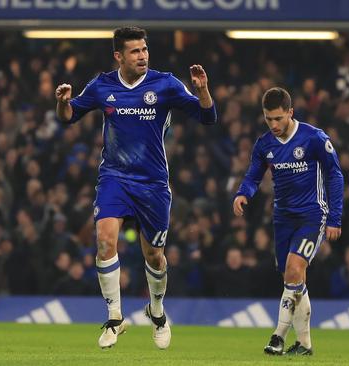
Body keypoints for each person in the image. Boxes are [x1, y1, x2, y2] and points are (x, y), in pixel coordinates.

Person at [54, 26, 216, 349]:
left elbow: (207, 117)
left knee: (155, 257)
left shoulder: (165, 84)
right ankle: (115, 318)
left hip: (153, 184)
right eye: (135, 51)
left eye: (144, 50)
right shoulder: (103, 86)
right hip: (115, 177)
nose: (142, 56)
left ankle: (156, 312)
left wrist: (203, 91)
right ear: (119, 56)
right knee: (105, 242)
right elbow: (68, 117)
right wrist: (62, 102)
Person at [233, 87, 343, 356]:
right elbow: (253, 176)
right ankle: (305, 345)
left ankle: (277, 336)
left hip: (312, 216)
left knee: (294, 269)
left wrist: (335, 217)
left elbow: (334, 175)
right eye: (269, 119)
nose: (274, 125)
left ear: (290, 113)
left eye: (279, 119)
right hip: (282, 218)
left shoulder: (314, 138)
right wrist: (242, 193)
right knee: (293, 280)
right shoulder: (265, 145)